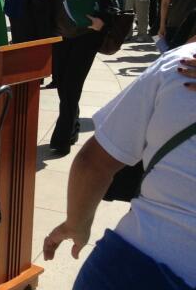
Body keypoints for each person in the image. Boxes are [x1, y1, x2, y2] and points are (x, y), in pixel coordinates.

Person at [42, 41, 196, 289]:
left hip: (124, 268)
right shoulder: (181, 65)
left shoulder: (176, 66)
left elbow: (93, 163)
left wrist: (77, 224)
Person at [30, 0, 116, 155]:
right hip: (58, 36)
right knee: (62, 84)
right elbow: (39, 4)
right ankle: (73, 124)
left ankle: (62, 137)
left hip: (86, 36)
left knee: (72, 85)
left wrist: (103, 21)